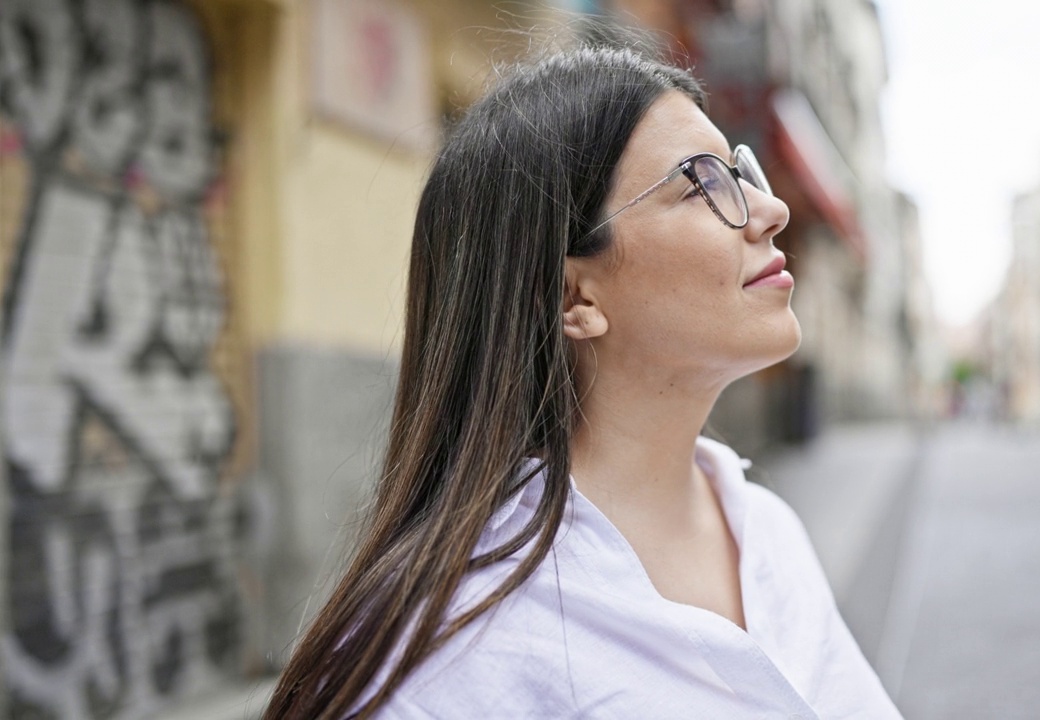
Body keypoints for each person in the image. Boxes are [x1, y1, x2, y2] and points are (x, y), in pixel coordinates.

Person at [264, 42, 902, 719]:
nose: (771, 212)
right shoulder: (448, 655)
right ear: (575, 299)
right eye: (703, 182)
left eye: (742, 172)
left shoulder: (769, 533)